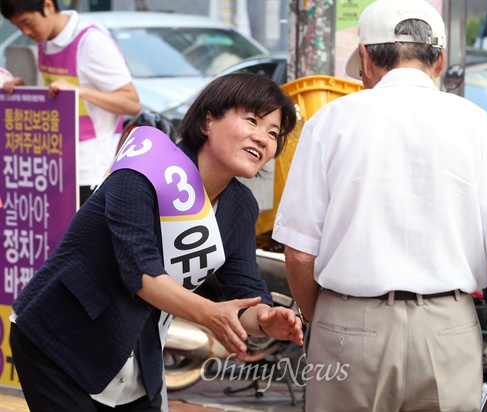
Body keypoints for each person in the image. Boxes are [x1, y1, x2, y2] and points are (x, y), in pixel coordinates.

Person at [272, 0, 487, 411]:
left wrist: (320, 319)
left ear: (365, 57)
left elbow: (299, 255)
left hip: (348, 326)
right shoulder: (478, 126)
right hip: (448, 329)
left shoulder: (329, 121)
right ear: (440, 60)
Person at [9, 73, 303, 411]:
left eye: (272, 133)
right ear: (208, 120)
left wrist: (265, 318)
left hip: (138, 360)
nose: (262, 138)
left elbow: (244, 292)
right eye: (251, 120)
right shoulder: (145, 167)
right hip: (62, 340)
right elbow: (140, 272)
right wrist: (211, 314)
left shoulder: (240, 206)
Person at [1, 0, 141, 206]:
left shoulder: (92, 43)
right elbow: (57, 98)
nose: (25, 31)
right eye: (18, 26)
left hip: (91, 171)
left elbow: (132, 103)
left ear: (48, 6)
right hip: (55, 167)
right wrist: (26, 93)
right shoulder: (46, 41)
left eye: (27, 22)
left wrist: (79, 92)